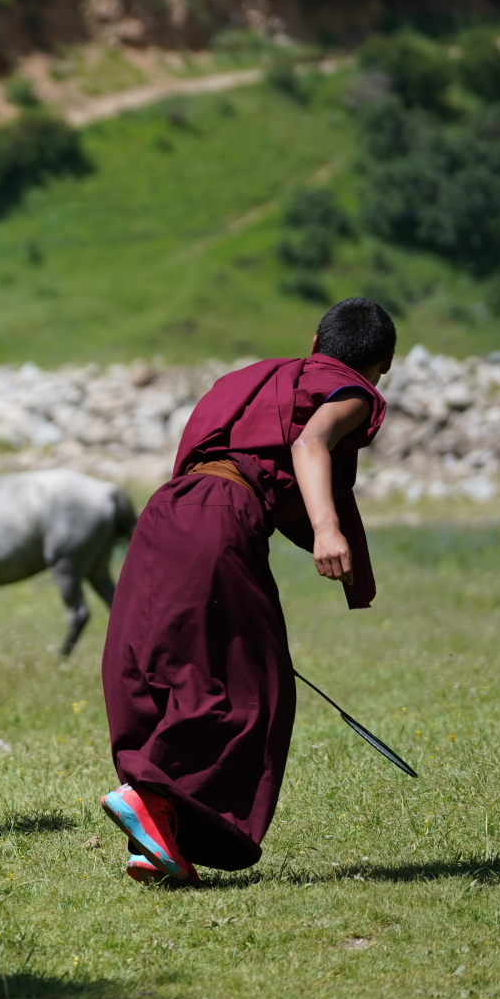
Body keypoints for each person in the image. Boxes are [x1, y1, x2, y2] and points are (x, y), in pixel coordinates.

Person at [98, 297, 395, 885]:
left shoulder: (250, 379)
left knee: (161, 666)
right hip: (221, 518)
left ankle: (158, 834)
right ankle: (151, 791)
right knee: (254, 685)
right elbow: (308, 446)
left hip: (165, 511)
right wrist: (328, 529)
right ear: (382, 366)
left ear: (315, 342)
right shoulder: (351, 391)